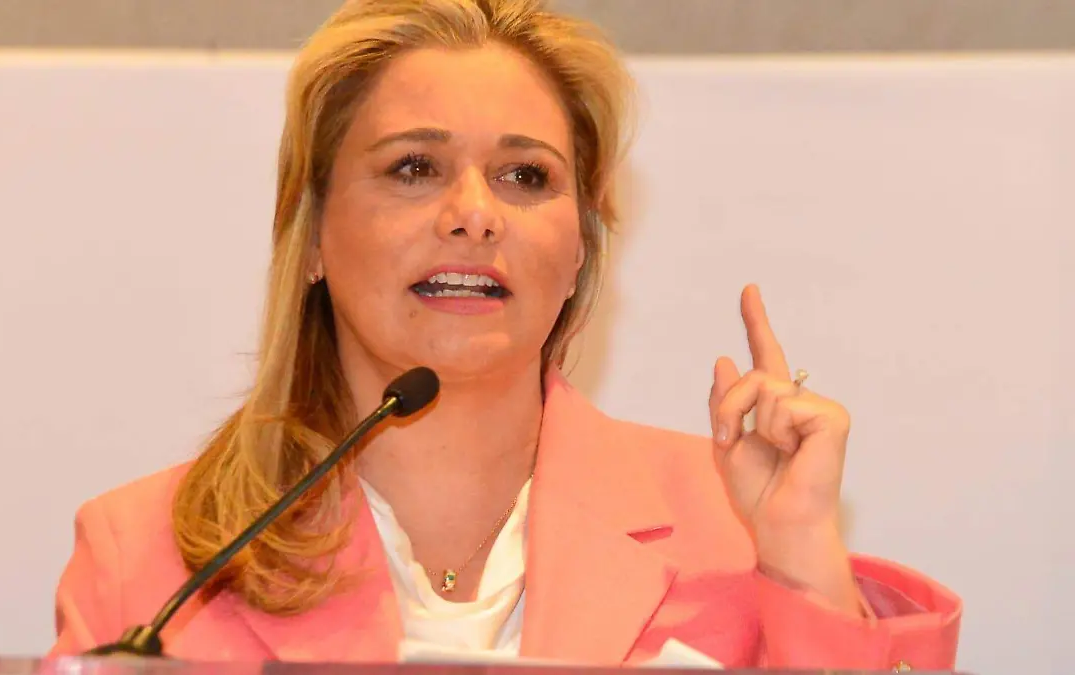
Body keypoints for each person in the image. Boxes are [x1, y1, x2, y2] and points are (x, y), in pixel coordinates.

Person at [48, 0, 961, 670]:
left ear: (581, 246)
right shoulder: (152, 557)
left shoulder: (736, 525)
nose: (475, 214)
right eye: (414, 167)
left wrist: (802, 565)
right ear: (313, 231)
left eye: (526, 176)